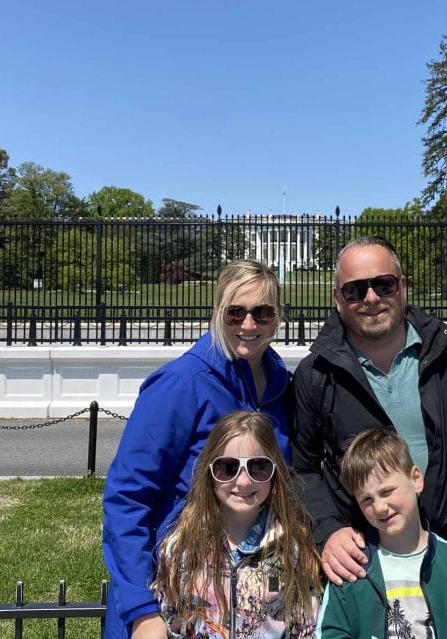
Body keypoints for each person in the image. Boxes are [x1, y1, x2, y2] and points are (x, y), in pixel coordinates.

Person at [291, 236, 447, 612]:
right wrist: (329, 530)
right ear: (337, 299)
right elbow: (303, 468)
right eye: (356, 290)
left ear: (402, 286)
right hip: (365, 556)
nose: (371, 298)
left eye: (383, 284)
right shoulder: (315, 374)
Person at [104, 261, 292, 639]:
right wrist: (141, 611)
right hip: (174, 595)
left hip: (252, 601)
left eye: (263, 312)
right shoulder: (181, 384)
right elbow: (126, 498)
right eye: (235, 312)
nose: (249, 324)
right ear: (217, 312)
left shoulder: (281, 386)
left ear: (278, 318)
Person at [154, 410, 322, 639]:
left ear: (274, 473)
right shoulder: (181, 547)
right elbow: (172, 623)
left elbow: (305, 629)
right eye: (228, 467)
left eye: (258, 467)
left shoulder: (293, 548)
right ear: (210, 473)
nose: (243, 481)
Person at [317, 427, 447, 639]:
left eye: (387, 491)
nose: (379, 507)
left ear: (416, 479)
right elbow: (331, 633)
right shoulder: (352, 567)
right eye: (367, 499)